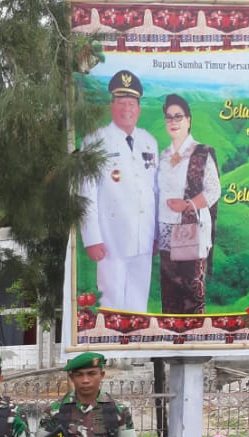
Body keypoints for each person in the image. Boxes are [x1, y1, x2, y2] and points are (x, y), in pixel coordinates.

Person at [79, 70, 159, 314]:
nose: (127, 109)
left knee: (138, 305)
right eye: (121, 103)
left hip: (143, 238)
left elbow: (154, 191)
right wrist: (92, 238)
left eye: (132, 103)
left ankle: (138, 349)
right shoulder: (95, 141)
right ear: (112, 106)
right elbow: (85, 193)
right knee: (111, 304)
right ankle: (111, 352)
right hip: (111, 240)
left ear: (139, 109)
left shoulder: (149, 141)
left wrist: (156, 234)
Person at [157, 93, 220, 315]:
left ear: (189, 120)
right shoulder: (163, 156)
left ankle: (196, 347)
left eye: (178, 116)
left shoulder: (201, 153)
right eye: (169, 117)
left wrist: (187, 205)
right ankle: (170, 348)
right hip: (166, 234)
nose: (173, 121)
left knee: (191, 297)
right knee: (170, 297)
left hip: (191, 233)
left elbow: (214, 190)